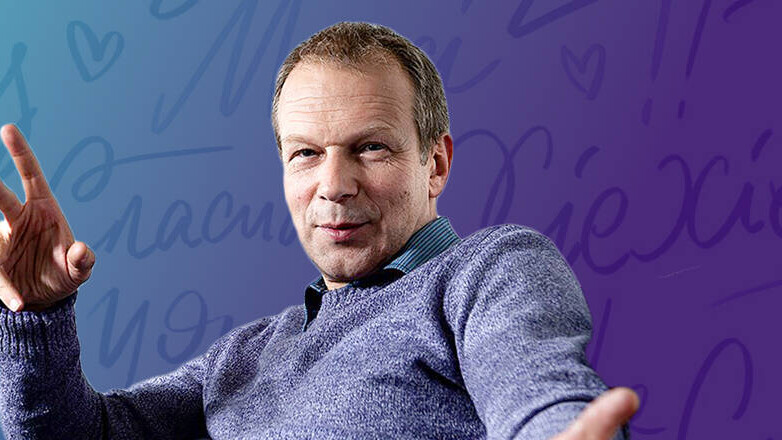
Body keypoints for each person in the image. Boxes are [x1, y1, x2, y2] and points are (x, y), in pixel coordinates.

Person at [0, 22, 637, 439]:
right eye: (306, 154)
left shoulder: (488, 272)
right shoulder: (242, 357)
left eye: (370, 147)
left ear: (436, 163)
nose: (334, 185)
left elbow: (538, 392)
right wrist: (39, 318)